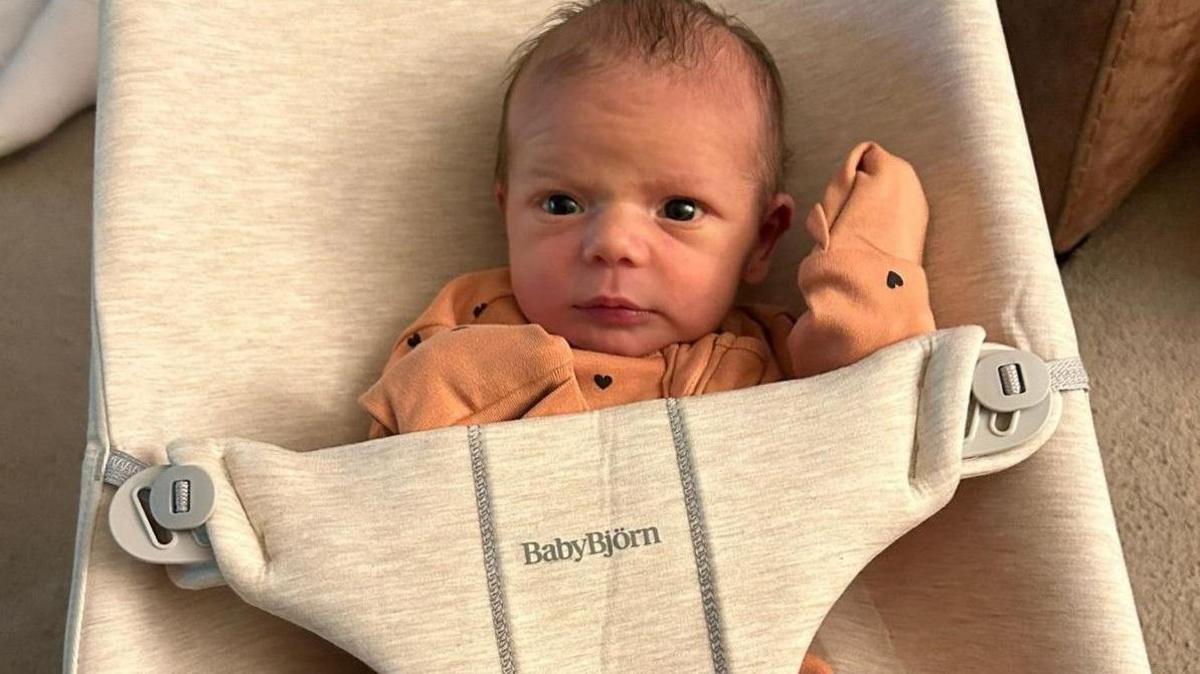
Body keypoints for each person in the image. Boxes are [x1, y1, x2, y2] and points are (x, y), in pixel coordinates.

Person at [359, 3, 937, 671]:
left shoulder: (765, 357)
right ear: (506, 212)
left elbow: (886, 398)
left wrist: (867, 259)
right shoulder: (474, 320)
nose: (611, 245)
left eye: (680, 210)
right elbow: (388, 475)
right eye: (561, 204)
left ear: (762, 241)